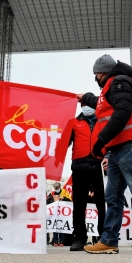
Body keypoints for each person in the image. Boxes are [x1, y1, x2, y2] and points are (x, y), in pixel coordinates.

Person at [79, 54, 132, 255]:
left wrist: (100, 140)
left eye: (96, 74)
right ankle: (109, 239)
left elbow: (122, 112)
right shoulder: (110, 87)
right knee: (113, 196)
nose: (95, 78)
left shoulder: (119, 82)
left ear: (101, 73)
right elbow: (103, 104)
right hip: (118, 147)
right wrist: (85, 98)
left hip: (131, 144)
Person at [55, 102, 106, 251]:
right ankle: (79, 238)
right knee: (79, 205)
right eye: (83, 104)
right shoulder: (74, 122)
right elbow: (64, 142)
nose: (86, 107)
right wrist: (56, 158)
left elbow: (109, 141)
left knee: (101, 204)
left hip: (98, 166)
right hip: (79, 167)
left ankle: (103, 237)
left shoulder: (102, 121)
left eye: (88, 104)